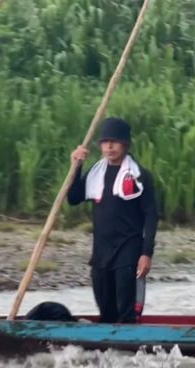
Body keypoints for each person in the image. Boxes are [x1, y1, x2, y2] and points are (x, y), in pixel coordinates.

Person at [67, 117, 158, 324]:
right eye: (105, 142)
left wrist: (146, 253)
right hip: (101, 250)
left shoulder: (139, 176)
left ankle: (127, 348)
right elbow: (73, 198)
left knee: (125, 309)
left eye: (114, 142)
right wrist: (77, 166)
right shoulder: (96, 172)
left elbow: (151, 215)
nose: (109, 146)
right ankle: (107, 351)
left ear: (125, 145)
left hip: (128, 249)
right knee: (105, 307)